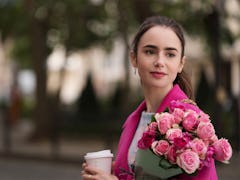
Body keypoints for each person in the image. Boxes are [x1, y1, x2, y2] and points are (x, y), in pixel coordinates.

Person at [81, 15, 218, 180]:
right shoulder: (133, 120)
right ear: (134, 58)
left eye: (170, 54)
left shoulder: (192, 123)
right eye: (150, 51)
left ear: (181, 64)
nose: (160, 61)